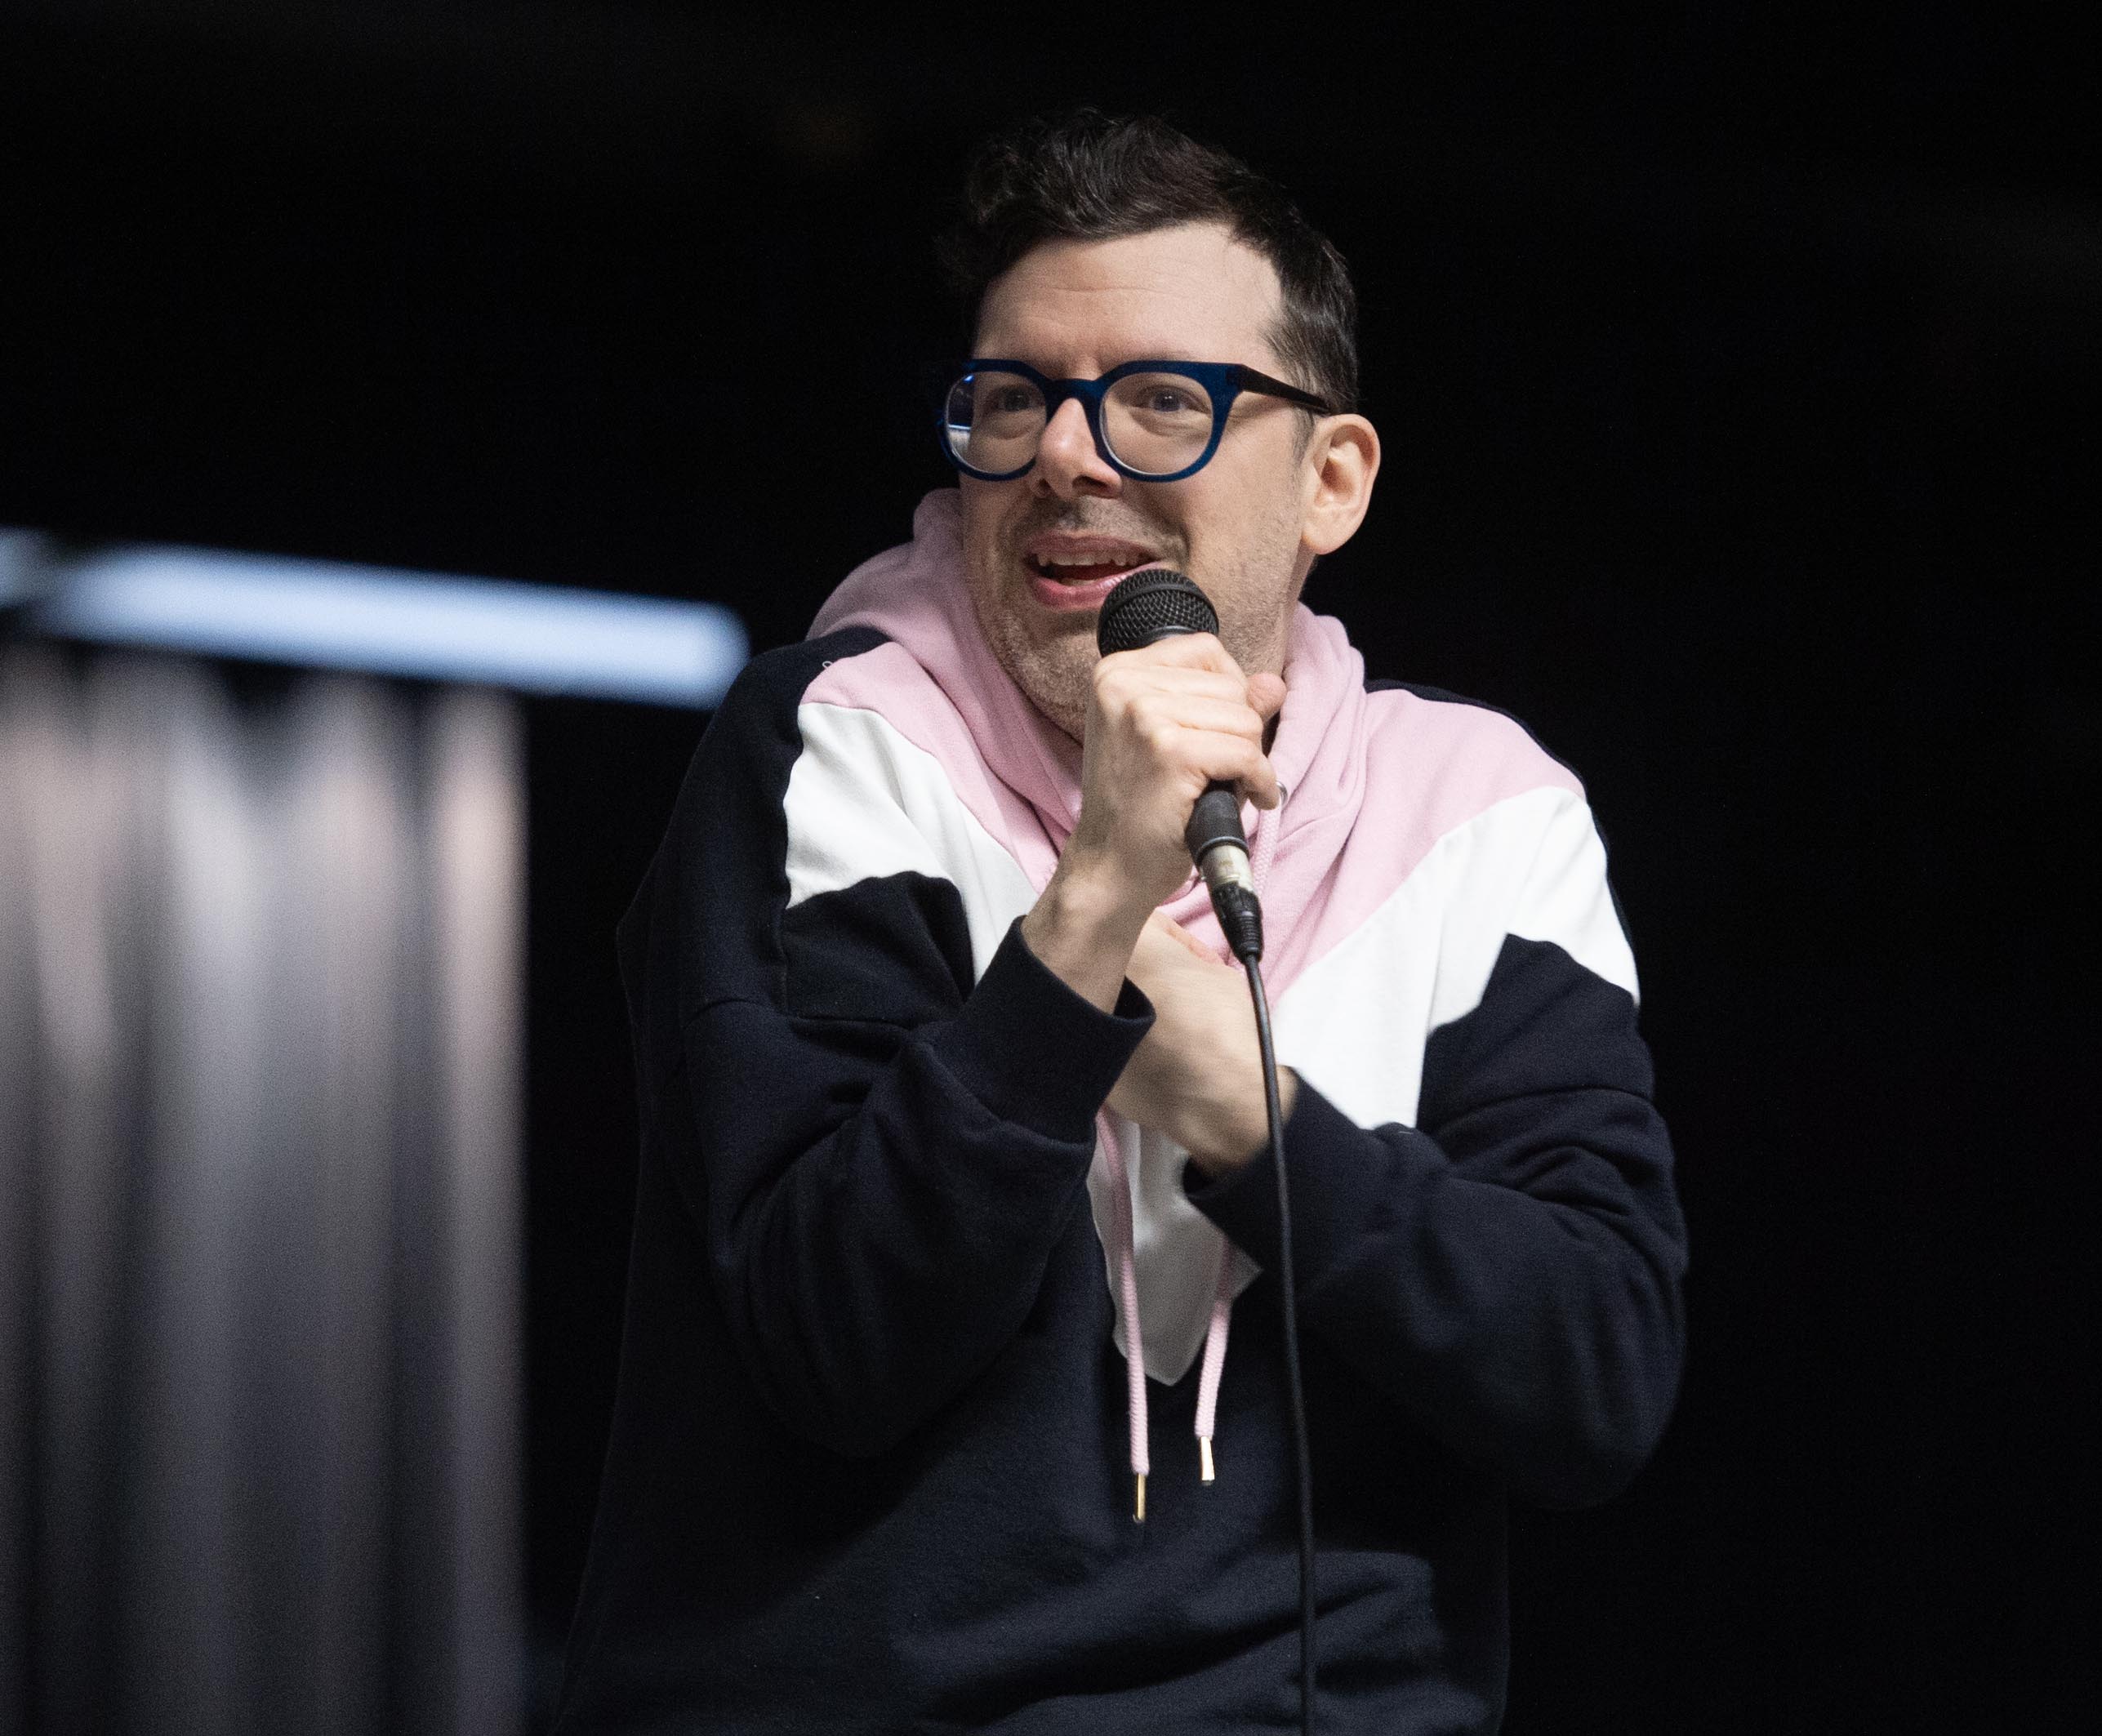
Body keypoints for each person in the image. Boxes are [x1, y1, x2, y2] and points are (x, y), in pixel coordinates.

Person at [554, 111, 1686, 1734]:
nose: (1068, 456)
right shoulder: (833, 749)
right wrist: (1085, 918)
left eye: (1163, 399)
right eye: (1015, 398)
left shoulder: (1483, 816)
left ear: (1332, 479)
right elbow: (835, 1340)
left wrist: (1257, 1118)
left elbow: (1594, 1377)